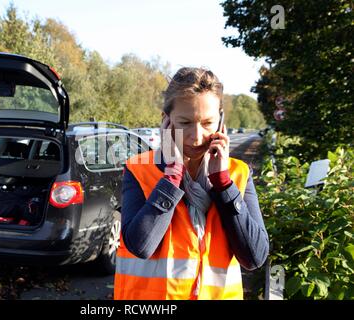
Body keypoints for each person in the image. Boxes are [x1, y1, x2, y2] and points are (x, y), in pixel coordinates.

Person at [114, 67, 269, 300]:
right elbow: (141, 246)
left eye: (208, 123)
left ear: (221, 122)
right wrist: (171, 177)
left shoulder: (238, 173)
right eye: (184, 122)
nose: (196, 136)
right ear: (166, 121)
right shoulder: (139, 169)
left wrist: (224, 184)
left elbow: (255, 257)